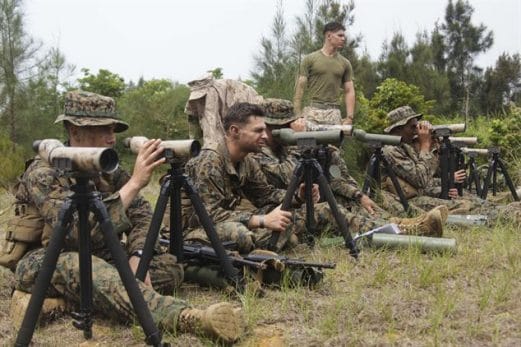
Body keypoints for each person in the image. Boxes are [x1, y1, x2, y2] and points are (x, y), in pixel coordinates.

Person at [6, 91, 242, 343]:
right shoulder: (44, 172)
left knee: (170, 269)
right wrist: (134, 184)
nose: (112, 137)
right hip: (45, 260)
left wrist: (137, 253)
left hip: (100, 255)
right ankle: (186, 317)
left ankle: (71, 299)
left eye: (113, 129)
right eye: (104, 129)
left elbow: (141, 213)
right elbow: (76, 232)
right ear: (75, 132)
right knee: (84, 268)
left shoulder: (107, 169)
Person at [251, 98, 445, 237]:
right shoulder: (258, 152)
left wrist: (359, 195)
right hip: (276, 212)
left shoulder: (285, 150)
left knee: (352, 204)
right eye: (286, 126)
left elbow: (336, 179)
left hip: (300, 204)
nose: (290, 130)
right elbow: (287, 176)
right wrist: (300, 141)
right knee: (329, 210)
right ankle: (401, 230)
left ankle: (401, 225)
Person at [381, 105, 521, 224]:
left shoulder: (406, 147)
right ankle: (510, 217)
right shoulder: (390, 150)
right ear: (398, 129)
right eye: (412, 127)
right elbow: (420, 179)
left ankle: (511, 210)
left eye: (417, 126)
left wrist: (435, 151)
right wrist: (425, 146)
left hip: (420, 193)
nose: (416, 130)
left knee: (471, 200)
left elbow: (428, 176)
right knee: (464, 206)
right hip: (406, 201)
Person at [294, 21, 356, 126]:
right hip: (313, 112)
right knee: (309, 142)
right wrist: (297, 114)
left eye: (344, 36)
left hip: (334, 112)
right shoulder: (310, 59)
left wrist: (350, 117)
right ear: (329, 36)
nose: (343, 39)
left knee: (333, 142)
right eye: (340, 35)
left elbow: (349, 90)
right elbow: (300, 87)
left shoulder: (345, 63)